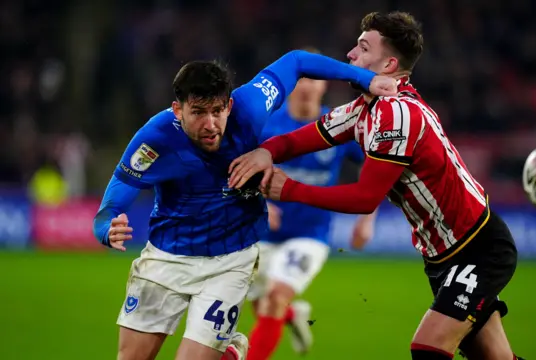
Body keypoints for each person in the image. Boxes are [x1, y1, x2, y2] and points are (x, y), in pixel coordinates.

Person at [229, 12, 525, 360]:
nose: (351, 55)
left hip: (478, 248)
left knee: (428, 348)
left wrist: (288, 189)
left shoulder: (397, 114)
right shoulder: (364, 109)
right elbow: (301, 140)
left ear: (389, 64)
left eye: (363, 47)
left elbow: (365, 198)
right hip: (442, 256)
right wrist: (267, 152)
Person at [92, 50, 397, 360]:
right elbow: (117, 194)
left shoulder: (251, 106)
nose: (211, 124)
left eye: (218, 111)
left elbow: (296, 61)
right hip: (166, 257)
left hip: (230, 261)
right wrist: (105, 226)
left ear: (230, 105)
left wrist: (366, 79)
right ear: (177, 110)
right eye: (198, 112)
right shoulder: (154, 138)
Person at [245, 47, 377, 360]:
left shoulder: (339, 126)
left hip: (310, 235)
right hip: (260, 232)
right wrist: (256, 199)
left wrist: (367, 218)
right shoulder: (266, 126)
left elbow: (376, 163)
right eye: (302, 79)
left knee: (275, 298)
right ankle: (294, 316)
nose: (307, 86)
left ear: (323, 85)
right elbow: (238, 170)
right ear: (292, 85)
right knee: (263, 306)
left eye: (314, 79)